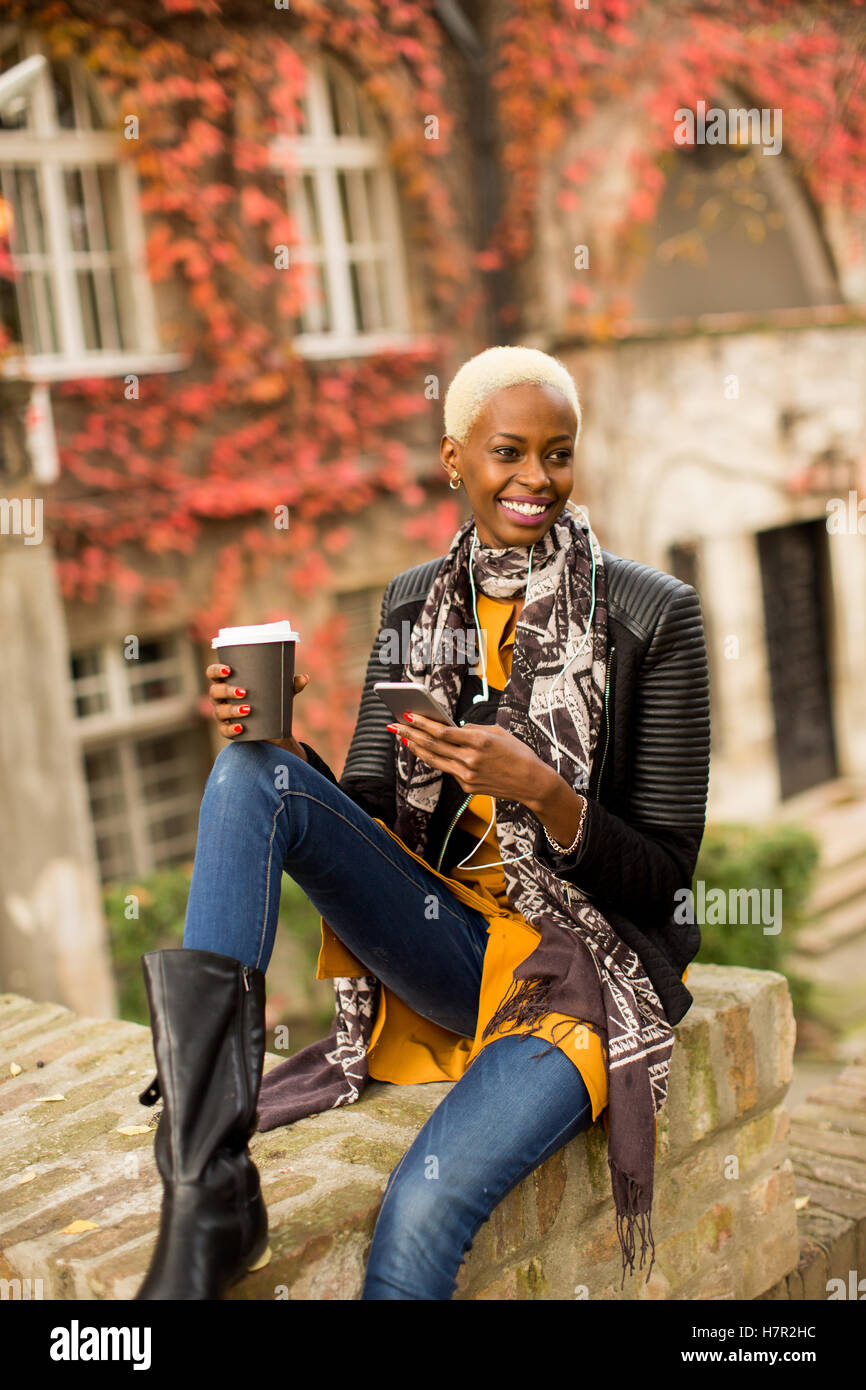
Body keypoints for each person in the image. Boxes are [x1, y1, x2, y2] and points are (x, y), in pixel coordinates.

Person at [134, 345, 710, 1302]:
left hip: (574, 973)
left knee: (414, 1223)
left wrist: (546, 794)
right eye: (508, 453)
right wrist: (290, 741)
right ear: (454, 461)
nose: (537, 480)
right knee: (250, 771)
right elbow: (364, 836)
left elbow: (665, 880)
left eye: (558, 455)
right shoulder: (412, 604)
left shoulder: (653, 615)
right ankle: (208, 1184)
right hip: (445, 945)